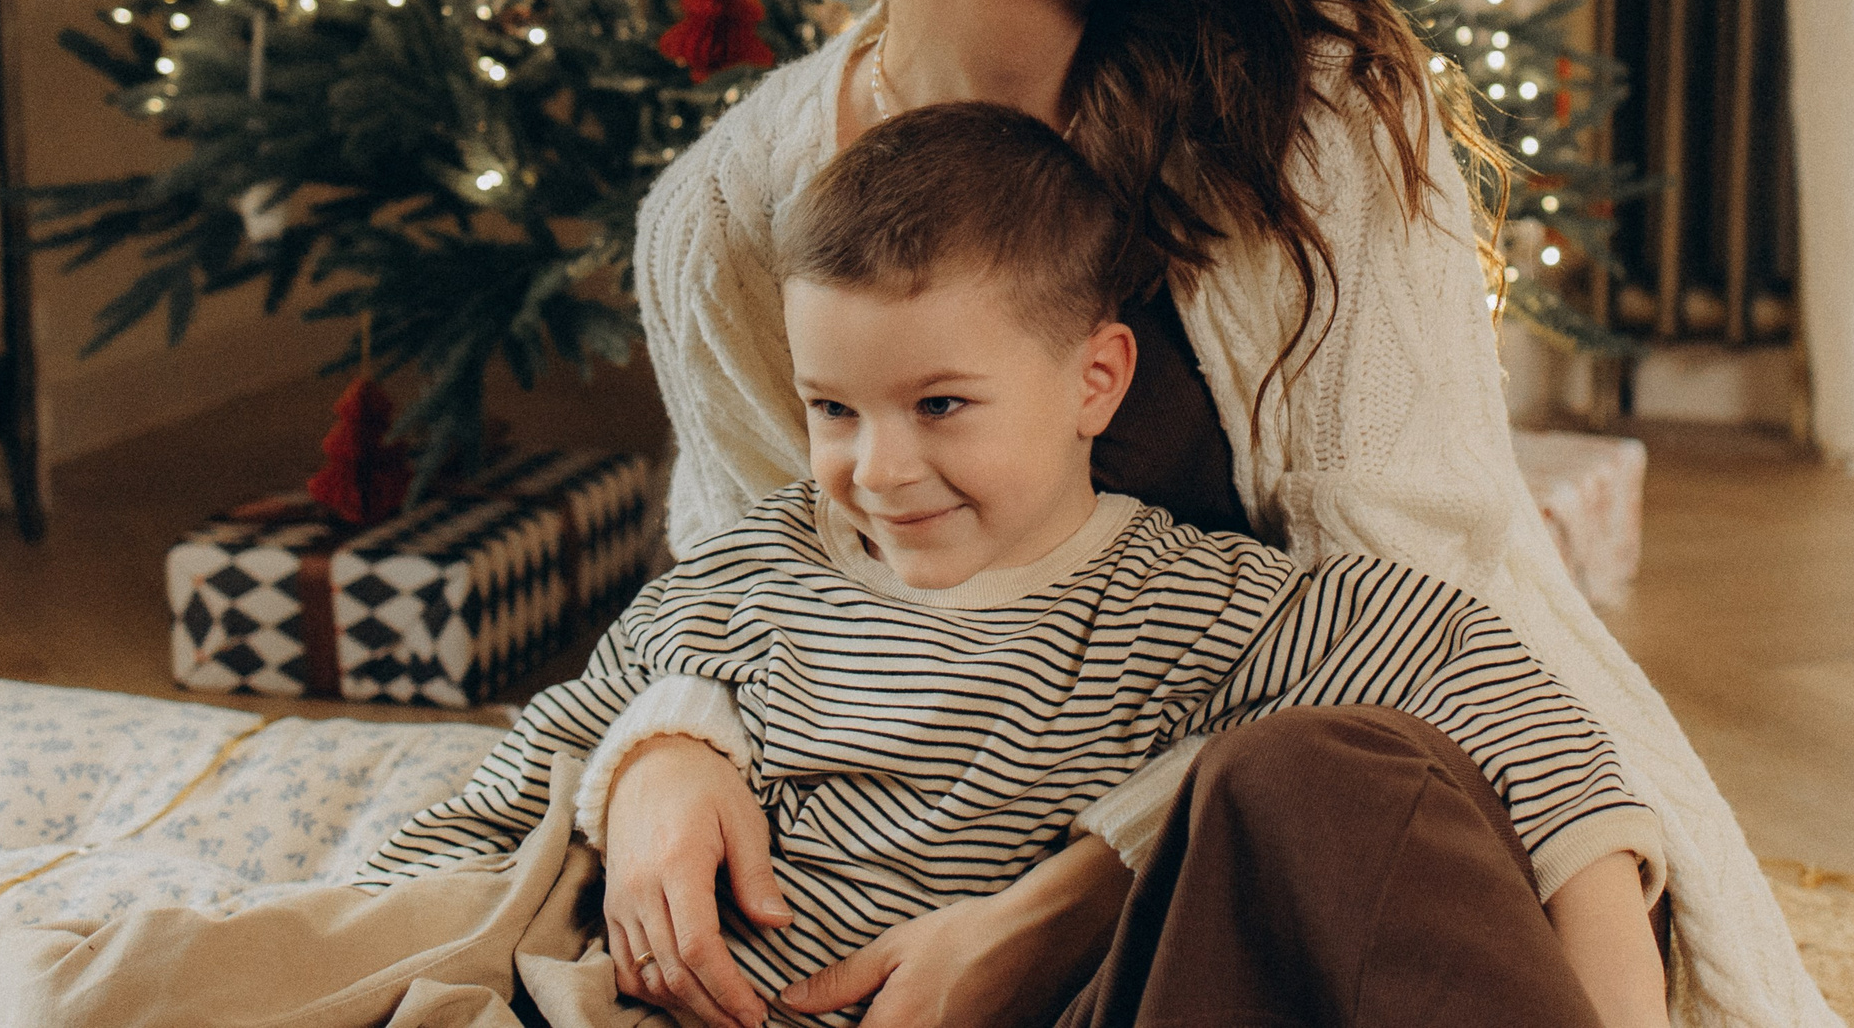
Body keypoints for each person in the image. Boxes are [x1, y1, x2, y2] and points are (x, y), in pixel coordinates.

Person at [598, 0, 1837, 1028]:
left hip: (1362, 795)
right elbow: (750, 593)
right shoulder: (730, 210)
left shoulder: (1311, 110)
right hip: (960, 858)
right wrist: (670, 755)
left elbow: (1411, 613)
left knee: (1301, 781)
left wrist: (1060, 900)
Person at [364, 102, 1671, 1028]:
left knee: (1320, 773)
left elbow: (1505, 709)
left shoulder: (1192, 602)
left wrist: (1620, 999)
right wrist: (650, 762)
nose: (877, 470)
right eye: (833, 410)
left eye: (941, 407)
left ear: (1094, 381)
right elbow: (502, 801)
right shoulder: (760, 567)